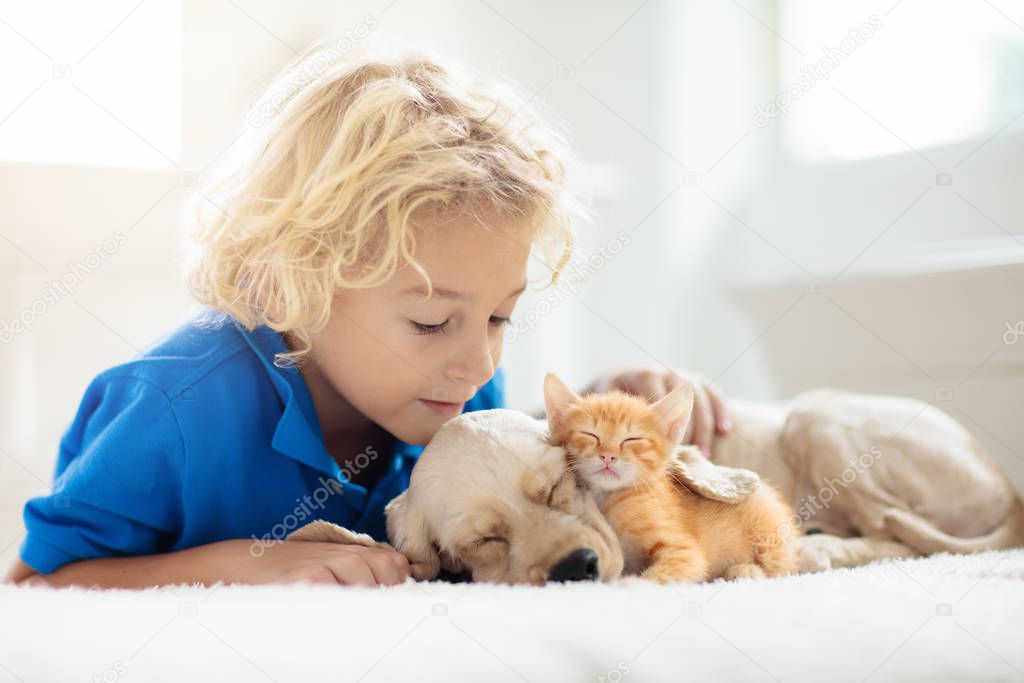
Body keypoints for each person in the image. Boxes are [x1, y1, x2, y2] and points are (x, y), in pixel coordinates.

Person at [6, 47, 728, 589]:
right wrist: (243, 565)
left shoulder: (461, 398)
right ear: (299, 283)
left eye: (501, 317)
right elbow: (36, 586)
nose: (480, 363)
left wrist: (609, 416)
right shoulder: (170, 410)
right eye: (432, 322)